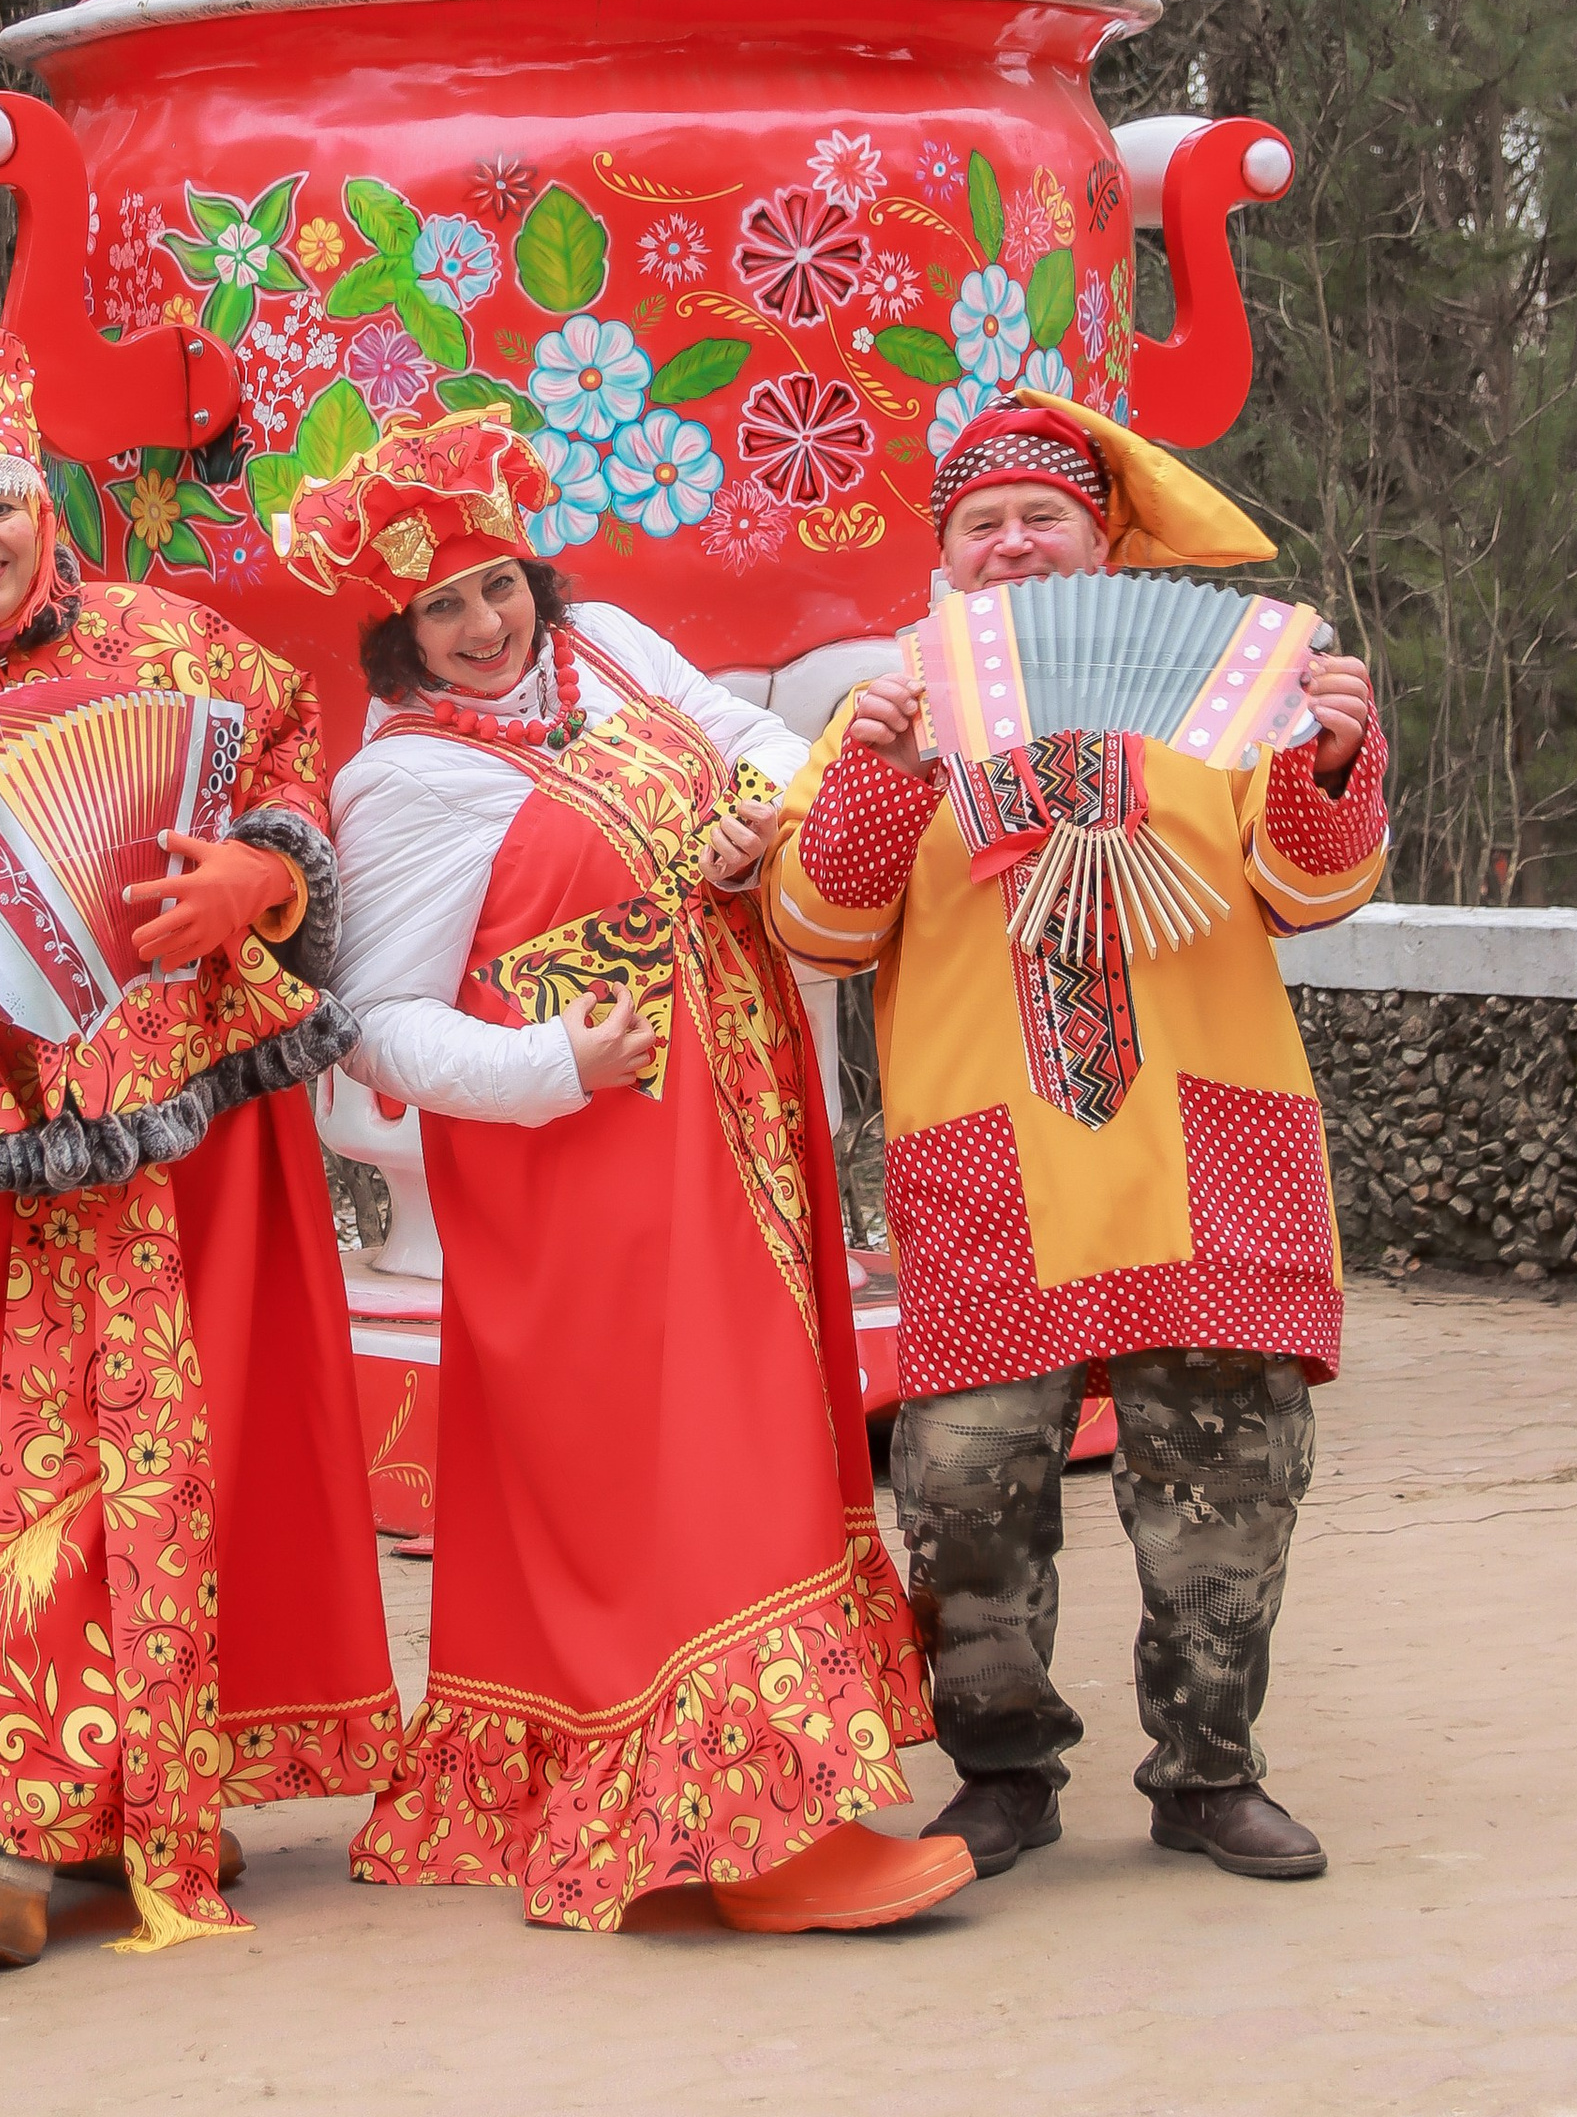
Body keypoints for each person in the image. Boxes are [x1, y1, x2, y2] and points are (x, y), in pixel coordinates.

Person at [279, 407, 963, 1938]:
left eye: (495, 587)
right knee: (668, 1458)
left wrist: (756, 816)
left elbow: (764, 746)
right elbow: (373, 1024)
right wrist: (548, 1070)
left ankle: (711, 1770)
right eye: (438, 610)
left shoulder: (612, 654)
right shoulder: (403, 788)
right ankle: (749, 1831)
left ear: (533, 570)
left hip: (737, 1127)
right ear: (397, 634)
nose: (479, 626)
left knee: (762, 1421)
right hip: (582, 1168)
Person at [0, 318, 399, 1969]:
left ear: (43, 499)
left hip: (192, 1124)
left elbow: (296, 766)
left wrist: (261, 880)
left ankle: (186, 1783)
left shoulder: (181, 644)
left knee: (227, 1428)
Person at [770, 386, 1388, 1884]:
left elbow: (1316, 894)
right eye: (979, 524)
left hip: (1206, 1144)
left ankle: (1207, 1774)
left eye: (1041, 517)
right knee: (966, 1490)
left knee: (1228, 1482)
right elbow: (818, 924)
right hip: (991, 1150)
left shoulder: (1228, 694)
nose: (1011, 545)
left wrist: (1322, 762)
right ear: (944, 556)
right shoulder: (889, 709)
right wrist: (876, 770)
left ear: (1098, 543)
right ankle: (1005, 1772)